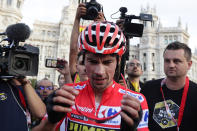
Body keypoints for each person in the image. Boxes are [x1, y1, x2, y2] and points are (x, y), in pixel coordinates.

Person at [33, 21, 149, 131]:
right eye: (93, 62)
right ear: (83, 61)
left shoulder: (136, 101)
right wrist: (50, 122)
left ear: (118, 62)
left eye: (107, 62)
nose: (100, 71)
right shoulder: (67, 95)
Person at [141, 41, 197, 130]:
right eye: (167, 61)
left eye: (176, 61)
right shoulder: (148, 88)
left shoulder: (195, 92)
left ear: (189, 65)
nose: (171, 65)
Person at [69, 3, 104, 83]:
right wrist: (77, 18)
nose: (86, 68)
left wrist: (102, 25)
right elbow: (73, 50)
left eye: (91, 62)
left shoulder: (102, 81)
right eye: (82, 63)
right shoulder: (75, 77)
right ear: (76, 66)